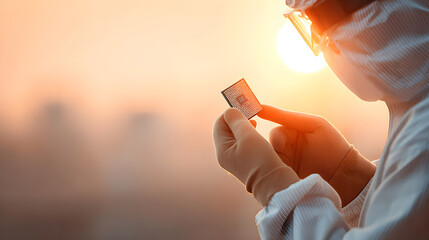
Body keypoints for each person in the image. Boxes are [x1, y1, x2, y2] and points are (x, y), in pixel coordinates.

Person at [213, 0, 429, 239]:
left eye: (316, 25)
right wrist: (353, 180)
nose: (324, 48)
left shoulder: (423, 131)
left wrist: (273, 186)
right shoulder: (415, 113)